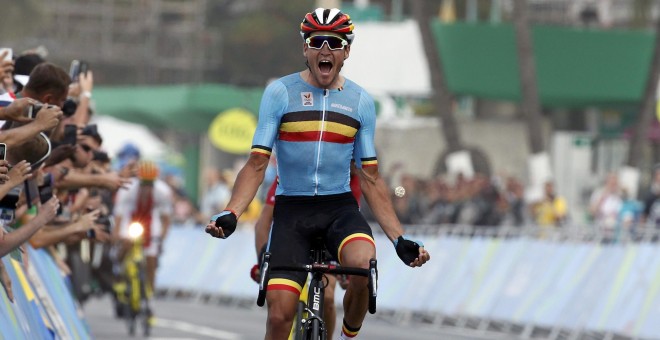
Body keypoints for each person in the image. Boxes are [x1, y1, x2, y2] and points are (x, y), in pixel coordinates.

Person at [206, 8, 430, 340]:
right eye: (317, 41)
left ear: (346, 52)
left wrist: (399, 239)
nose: (326, 49)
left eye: (335, 43)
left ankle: (346, 335)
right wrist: (231, 212)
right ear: (305, 49)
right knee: (280, 316)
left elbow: (370, 178)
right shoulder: (280, 93)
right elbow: (255, 164)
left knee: (364, 270)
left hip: (338, 210)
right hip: (291, 212)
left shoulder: (360, 102)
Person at [252, 168, 361, 339]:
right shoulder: (289, 172)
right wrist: (262, 262)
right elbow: (263, 224)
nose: (352, 166)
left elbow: (348, 230)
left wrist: (346, 268)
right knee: (280, 305)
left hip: (329, 239)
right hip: (295, 233)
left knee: (328, 298)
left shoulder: (353, 179)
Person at [113, 160, 173, 321]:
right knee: (126, 242)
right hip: (130, 218)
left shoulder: (163, 191)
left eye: (150, 184)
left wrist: (161, 239)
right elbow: (119, 217)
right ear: (138, 180)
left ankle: (149, 300)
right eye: (144, 183)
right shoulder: (127, 189)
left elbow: (166, 219)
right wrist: (117, 236)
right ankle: (119, 271)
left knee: (151, 260)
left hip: (150, 221)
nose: (147, 187)